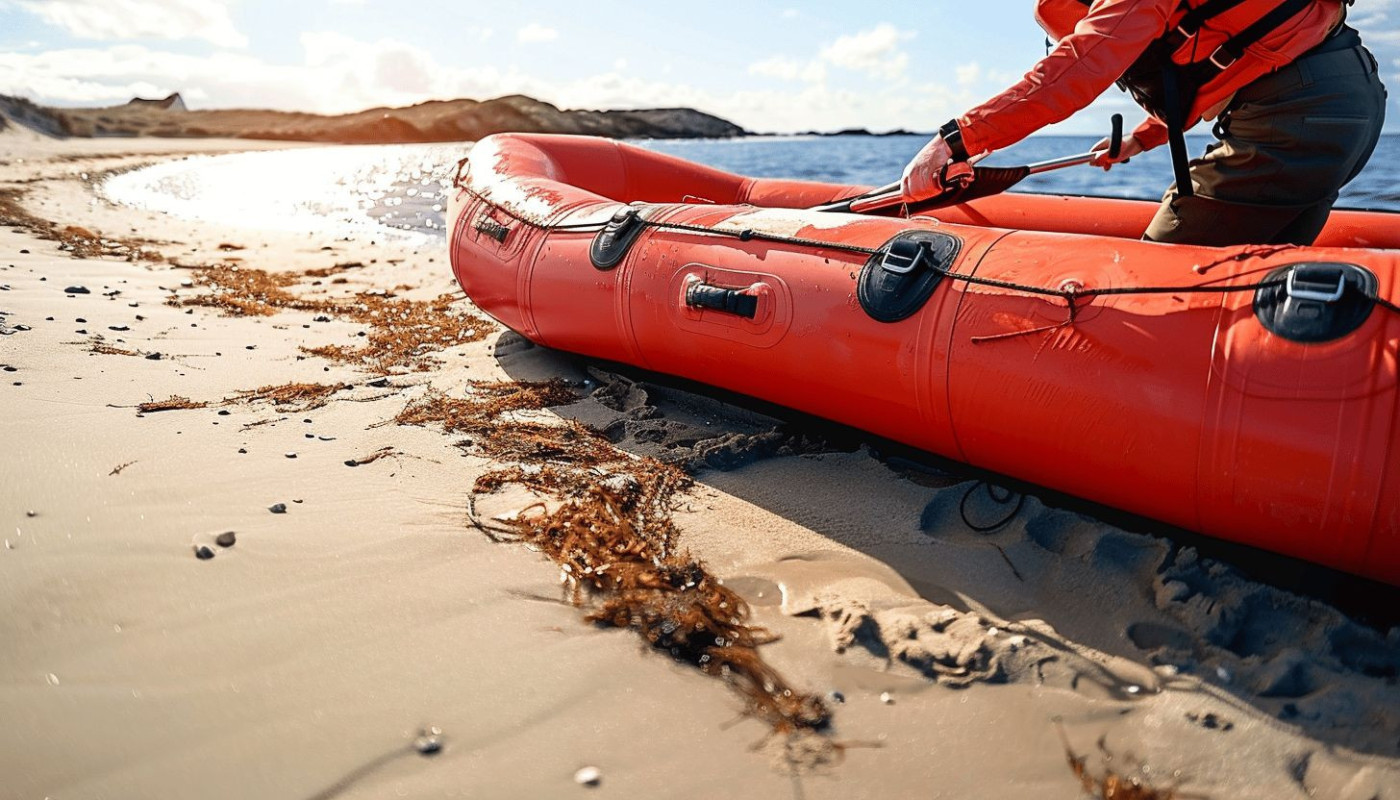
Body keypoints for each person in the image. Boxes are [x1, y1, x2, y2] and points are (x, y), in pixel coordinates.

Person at [900, 0, 1386, 246]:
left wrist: (954, 141)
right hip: (1352, 100)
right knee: (1256, 260)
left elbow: (1077, 69)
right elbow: (1226, 63)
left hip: (1295, 114)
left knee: (1161, 260)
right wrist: (1138, 138)